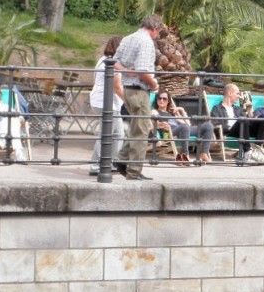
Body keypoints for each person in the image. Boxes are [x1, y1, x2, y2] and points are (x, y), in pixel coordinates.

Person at [112, 14, 163, 180]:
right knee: (141, 131)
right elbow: (142, 70)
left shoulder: (128, 38)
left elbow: (114, 61)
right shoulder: (146, 41)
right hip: (139, 91)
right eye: (158, 32)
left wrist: (126, 71)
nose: (157, 36)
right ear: (155, 29)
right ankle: (134, 171)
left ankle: (121, 159)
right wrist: (154, 84)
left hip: (128, 90)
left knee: (139, 127)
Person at [88, 37, 125, 176]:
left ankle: (109, 162)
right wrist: (129, 102)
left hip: (104, 102)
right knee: (106, 134)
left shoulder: (103, 60)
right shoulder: (113, 63)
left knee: (118, 134)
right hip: (106, 103)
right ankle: (96, 165)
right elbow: (117, 87)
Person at [152, 92, 215, 164]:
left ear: (168, 101)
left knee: (209, 126)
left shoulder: (172, 113)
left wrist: (181, 111)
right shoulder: (155, 111)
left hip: (183, 129)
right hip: (169, 131)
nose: (161, 100)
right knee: (184, 127)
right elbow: (154, 122)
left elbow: (188, 124)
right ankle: (185, 155)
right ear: (156, 100)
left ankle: (204, 153)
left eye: (164, 99)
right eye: (159, 98)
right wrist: (160, 124)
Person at [210, 83, 252, 164]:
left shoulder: (238, 109)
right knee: (242, 120)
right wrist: (224, 131)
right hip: (227, 132)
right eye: (237, 94)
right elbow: (215, 123)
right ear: (230, 93)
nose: (239, 96)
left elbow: (248, 123)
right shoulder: (217, 108)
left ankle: (256, 150)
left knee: (256, 120)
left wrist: (249, 110)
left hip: (240, 131)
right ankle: (247, 151)